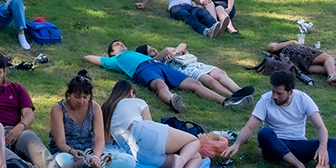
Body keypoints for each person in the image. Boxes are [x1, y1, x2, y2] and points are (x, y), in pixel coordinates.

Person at [223, 70, 336, 168]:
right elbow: (249, 127)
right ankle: (300, 167)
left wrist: (322, 147)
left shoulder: (303, 99)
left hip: (298, 144)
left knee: (335, 144)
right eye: (273, 91)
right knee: (264, 133)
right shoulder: (265, 100)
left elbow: (320, 127)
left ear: (290, 92)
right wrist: (237, 144)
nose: (275, 96)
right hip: (274, 147)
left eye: (279, 93)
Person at [101, 80, 203, 168]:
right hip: (143, 131)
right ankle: (181, 162)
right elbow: (149, 123)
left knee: (195, 155)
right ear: (131, 92)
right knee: (194, 141)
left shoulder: (106, 108)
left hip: (137, 154)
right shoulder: (136, 102)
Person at [83, 39, 230, 111]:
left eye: (121, 43)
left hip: (157, 64)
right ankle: (172, 100)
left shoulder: (133, 52)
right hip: (142, 70)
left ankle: (225, 101)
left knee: (195, 83)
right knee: (159, 85)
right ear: (111, 52)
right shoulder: (115, 60)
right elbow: (89, 58)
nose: (121, 45)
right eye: (117, 45)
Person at [49, 70, 136, 168]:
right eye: (77, 97)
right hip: (67, 153)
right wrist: (73, 152)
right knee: (61, 160)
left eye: (85, 97)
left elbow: (100, 139)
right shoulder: (58, 109)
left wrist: (95, 156)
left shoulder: (94, 107)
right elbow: (60, 143)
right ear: (68, 94)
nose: (81, 101)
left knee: (130, 161)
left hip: (89, 154)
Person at [135, 42, 254, 108]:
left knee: (220, 74)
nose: (154, 50)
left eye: (152, 48)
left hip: (194, 63)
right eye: (150, 51)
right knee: (210, 80)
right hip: (185, 69)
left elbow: (183, 44)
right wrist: (169, 53)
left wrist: (176, 51)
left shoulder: (172, 51)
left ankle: (239, 90)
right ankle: (233, 97)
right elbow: (165, 50)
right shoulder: (156, 61)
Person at [265, 40, 336, 88]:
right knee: (328, 58)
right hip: (298, 53)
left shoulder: (281, 54)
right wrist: (292, 41)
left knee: (333, 68)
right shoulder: (285, 44)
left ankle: (335, 82)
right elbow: (273, 47)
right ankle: (333, 77)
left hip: (297, 65)